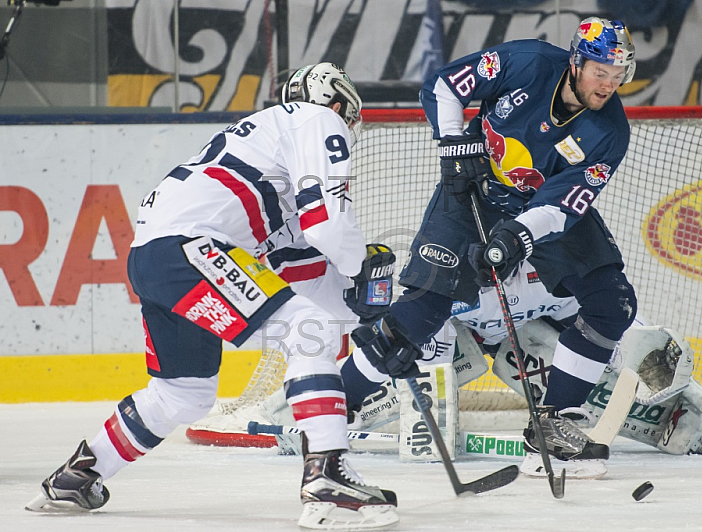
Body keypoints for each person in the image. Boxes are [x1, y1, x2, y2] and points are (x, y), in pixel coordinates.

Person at [26, 62, 400, 529]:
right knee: (310, 332)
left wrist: (361, 308)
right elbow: (329, 226)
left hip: (153, 258)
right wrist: (359, 264)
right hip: (193, 248)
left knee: (183, 394)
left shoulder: (270, 166)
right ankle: (328, 477)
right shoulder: (317, 119)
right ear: (338, 104)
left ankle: (80, 474)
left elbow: (299, 274)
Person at [341, 17, 639, 466]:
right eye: (601, 73)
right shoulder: (528, 62)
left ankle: (555, 420)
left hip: (540, 207)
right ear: (577, 61)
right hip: (468, 191)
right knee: (422, 313)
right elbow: (444, 86)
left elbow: (564, 205)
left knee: (611, 302)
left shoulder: (610, 132)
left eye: (618, 77)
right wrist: (453, 147)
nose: (608, 85)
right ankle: (337, 400)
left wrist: (518, 236)